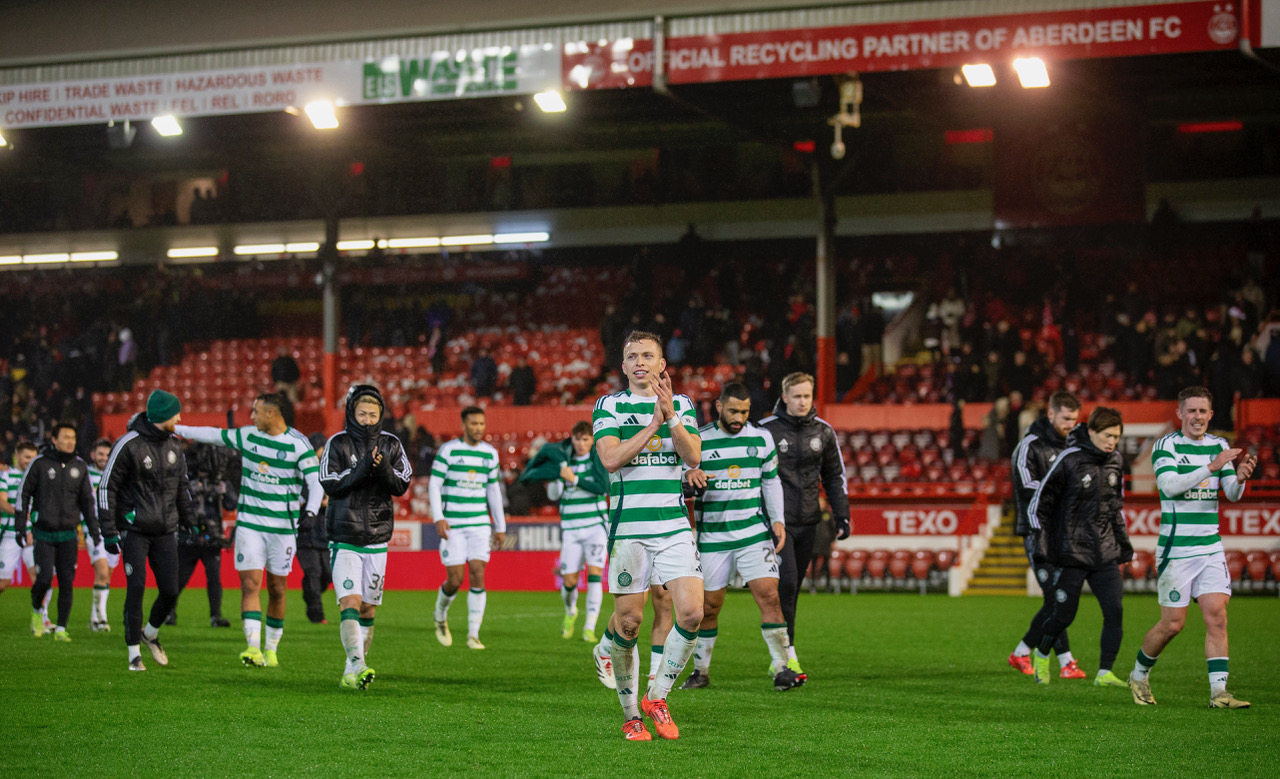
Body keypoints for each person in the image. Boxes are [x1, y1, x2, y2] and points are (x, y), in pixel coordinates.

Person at [592, 330, 702, 741]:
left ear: (662, 364)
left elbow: (692, 456)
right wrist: (653, 423)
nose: (640, 362)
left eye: (648, 355)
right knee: (631, 622)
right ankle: (629, 715)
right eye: (632, 356)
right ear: (623, 366)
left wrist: (669, 415)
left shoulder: (684, 404)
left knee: (691, 613)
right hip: (629, 528)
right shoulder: (609, 406)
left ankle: (657, 697)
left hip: (672, 525)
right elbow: (610, 459)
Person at [1129, 386, 1257, 709]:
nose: (1197, 417)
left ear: (1211, 414)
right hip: (1177, 549)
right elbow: (1169, 487)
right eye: (1191, 411)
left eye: (1203, 411)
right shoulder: (1166, 446)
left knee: (1217, 616)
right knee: (1173, 624)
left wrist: (1239, 478)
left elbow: (1230, 493)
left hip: (1210, 547)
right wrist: (1211, 468)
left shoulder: (1219, 445)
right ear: (1180, 414)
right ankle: (1139, 674)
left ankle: (1219, 694)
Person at [173, 392, 322, 668]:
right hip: (250, 525)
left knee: (277, 588)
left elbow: (316, 482)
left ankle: (271, 649)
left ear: (271, 414)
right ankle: (253, 648)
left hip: (283, 529)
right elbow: (212, 434)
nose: (251, 417)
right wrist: (175, 428)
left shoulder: (298, 445)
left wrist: (311, 511)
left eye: (256, 412)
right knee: (250, 584)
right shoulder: (248, 436)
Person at [680, 382, 799, 691]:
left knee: (770, 596)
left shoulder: (761, 438)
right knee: (709, 607)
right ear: (719, 407)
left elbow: (771, 482)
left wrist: (778, 521)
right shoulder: (699, 440)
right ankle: (701, 672)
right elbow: (683, 481)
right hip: (713, 538)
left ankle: (782, 668)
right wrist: (690, 480)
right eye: (733, 410)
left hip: (753, 534)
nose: (739, 417)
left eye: (744, 412)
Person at [1025, 408, 1133, 688]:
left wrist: (1124, 545)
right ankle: (1042, 653)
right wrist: (1042, 545)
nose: (1112, 442)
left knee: (1115, 610)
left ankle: (1105, 672)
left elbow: (1115, 507)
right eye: (1108, 435)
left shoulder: (1116, 461)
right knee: (1063, 615)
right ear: (1093, 431)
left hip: (1105, 551)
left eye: (1117, 437)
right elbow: (1039, 504)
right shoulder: (1068, 459)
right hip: (1071, 552)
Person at [320, 385, 412, 690]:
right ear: (352, 413)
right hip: (345, 535)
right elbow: (329, 483)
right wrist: (361, 469)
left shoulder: (392, 444)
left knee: (368, 609)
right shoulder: (337, 443)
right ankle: (360, 665)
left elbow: (401, 484)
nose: (369, 420)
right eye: (363, 413)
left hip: (377, 537)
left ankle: (350, 669)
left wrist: (383, 467)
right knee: (350, 601)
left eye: (374, 414)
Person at [760, 371, 849, 684]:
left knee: (792, 591)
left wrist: (843, 515)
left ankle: (782, 655)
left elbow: (834, 477)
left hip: (809, 522)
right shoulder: (765, 430)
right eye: (796, 396)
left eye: (806, 396)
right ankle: (787, 657)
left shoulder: (823, 432)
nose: (802, 402)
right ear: (785, 397)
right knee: (785, 586)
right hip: (776, 525)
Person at [98, 389, 193, 671]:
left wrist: (191, 521)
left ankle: (150, 633)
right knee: (136, 587)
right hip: (134, 530)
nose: (180, 417)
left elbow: (182, 488)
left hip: (165, 530)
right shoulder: (128, 444)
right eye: (175, 413)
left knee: (171, 591)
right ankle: (132, 654)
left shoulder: (175, 446)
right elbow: (107, 487)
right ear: (162, 416)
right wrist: (108, 530)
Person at [1007, 391, 1084, 678]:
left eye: (1075, 419)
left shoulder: (1074, 447)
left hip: (1063, 533)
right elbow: (1027, 486)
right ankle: (1065, 661)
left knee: (1058, 599)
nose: (1070, 424)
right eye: (1066, 418)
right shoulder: (1029, 446)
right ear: (1050, 414)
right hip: (1036, 531)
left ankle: (1022, 653)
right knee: (1055, 599)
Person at [517, 420, 610, 642]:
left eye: (586, 439)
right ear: (572, 439)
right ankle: (570, 611)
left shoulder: (597, 459)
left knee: (595, 575)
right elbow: (550, 493)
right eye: (578, 439)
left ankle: (589, 627)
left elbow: (602, 487)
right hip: (571, 529)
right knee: (569, 582)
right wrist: (558, 480)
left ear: (591, 440)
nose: (581, 444)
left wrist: (574, 479)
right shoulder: (563, 463)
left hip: (595, 526)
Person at [430, 406, 506, 650]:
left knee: (477, 572)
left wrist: (500, 525)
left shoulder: (490, 454)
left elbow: (493, 491)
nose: (478, 428)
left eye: (481, 424)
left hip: (479, 524)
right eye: (473, 424)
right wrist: (438, 517)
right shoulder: (449, 450)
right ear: (463, 425)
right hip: (453, 524)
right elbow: (434, 484)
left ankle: (473, 634)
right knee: (454, 579)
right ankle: (440, 615)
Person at [15, 424, 100, 641]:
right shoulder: (40, 464)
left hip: (69, 534)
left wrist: (95, 531)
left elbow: (88, 502)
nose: (70, 441)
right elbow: (23, 494)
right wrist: (20, 527)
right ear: (54, 439)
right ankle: (37, 611)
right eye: (65, 437)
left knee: (66, 581)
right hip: (44, 533)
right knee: (43, 580)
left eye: (73, 437)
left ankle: (61, 628)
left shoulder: (80, 467)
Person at [167, 440, 234, 627]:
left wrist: (224, 490)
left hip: (212, 536)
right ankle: (169, 612)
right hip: (189, 534)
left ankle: (215, 616)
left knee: (214, 578)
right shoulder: (185, 478)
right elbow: (177, 502)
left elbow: (231, 504)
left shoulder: (220, 481)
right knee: (179, 578)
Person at [298, 432, 333, 624]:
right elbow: (300, 498)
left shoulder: (329, 470)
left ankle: (309, 593)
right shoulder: (303, 470)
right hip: (306, 530)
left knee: (327, 573)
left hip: (324, 531)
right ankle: (316, 615)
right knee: (313, 572)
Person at [85, 438, 119, 632]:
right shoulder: (85, 475)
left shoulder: (116, 474)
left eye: (107, 455)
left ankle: (94, 616)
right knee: (103, 572)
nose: (104, 458)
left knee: (106, 576)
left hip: (113, 531)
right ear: (93, 455)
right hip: (94, 530)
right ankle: (101, 619)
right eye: (100, 454)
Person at [0, 442, 39, 609]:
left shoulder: (37, 478)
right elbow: (1, 502)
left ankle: (42, 619)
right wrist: (20, 514)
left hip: (32, 535)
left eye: (33, 458)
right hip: (10, 535)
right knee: (3, 583)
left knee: (39, 578)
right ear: (17, 454)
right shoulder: (6, 475)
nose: (29, 461)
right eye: (26, 457)